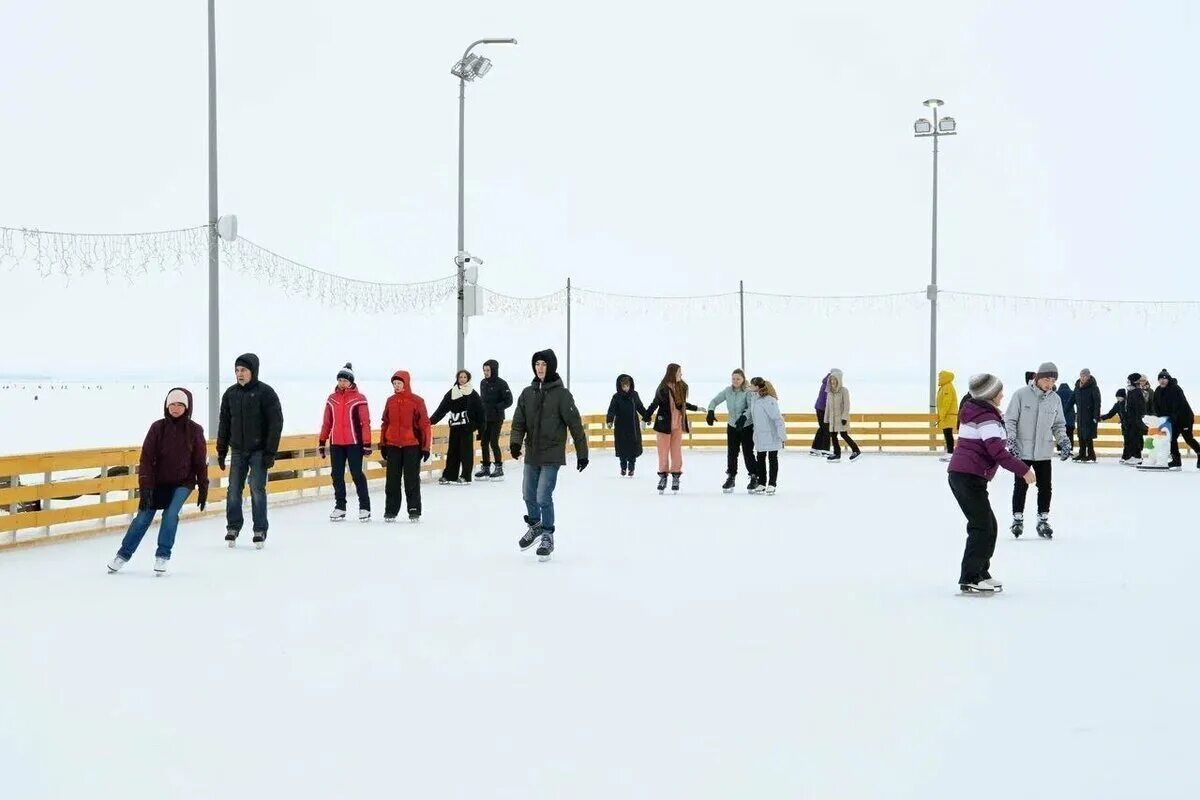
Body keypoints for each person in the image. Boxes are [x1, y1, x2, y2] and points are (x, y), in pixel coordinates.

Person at [948, 374, 1036, 594]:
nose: (1002, 395)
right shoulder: (985, 417)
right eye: (999, 392)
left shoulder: (985, 414)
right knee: (981, 527)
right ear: (989, 395)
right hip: (967, 477)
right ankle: (970, 577)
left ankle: (980, 572)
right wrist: (1023, 470)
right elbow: (996, 451)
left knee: (989, 525)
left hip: (969, 476)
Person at [107, 388, 209, 575]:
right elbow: (146, 460)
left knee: (170, 515)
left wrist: (203, 485)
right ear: (166, 405)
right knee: (143, 518)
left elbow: (199, 462)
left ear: (187, 407)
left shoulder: (195, 430)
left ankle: (163, 555)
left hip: (182, 482)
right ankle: (122, 555)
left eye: (180, 404)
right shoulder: (157, 428)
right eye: (172, 404)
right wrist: (145, 488)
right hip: (157, 482)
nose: (176, 408)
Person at [510, 349, 588, 562]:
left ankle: (548, 535)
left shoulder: (562, 395)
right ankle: (535, 526)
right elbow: (519, 422)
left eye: (544, 364)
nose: (540, 368)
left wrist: (582, 453)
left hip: (552, 454)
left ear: (551, 366)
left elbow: (575, 425)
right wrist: (515, 443)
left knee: (543, 495)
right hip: (533, 453)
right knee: (528, 494)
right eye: (537, 364)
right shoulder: (527, 393)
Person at [217, 353, 283, 549]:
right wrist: (221, 451)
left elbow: (275, 423)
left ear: (253, 371)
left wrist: (270, 452)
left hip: (259, 451)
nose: (240, 374)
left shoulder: (266, 393)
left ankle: (260, 529)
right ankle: (233, 527)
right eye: (237, 370)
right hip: (237, 450)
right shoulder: (230, 394)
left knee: (256, 489)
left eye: (243, 370)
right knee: (233, 490)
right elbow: (224, 425)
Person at [1004, 361, 1071, 539]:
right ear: (1038, 378)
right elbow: (1010, 420)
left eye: (1053, 380)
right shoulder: (1021, 395)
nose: (1050, 383)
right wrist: (1011, 439)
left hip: (1043, 451)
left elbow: (1058, 425)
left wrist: (1063, 440)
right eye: (1047, 379)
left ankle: (1043, 519)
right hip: (1022, 450)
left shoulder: (1055, 399)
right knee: (1020, 486)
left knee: (1045, 487)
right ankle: (1017, 519)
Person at [319, 363, 372, 522]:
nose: (342, 383)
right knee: (336, 475)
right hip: (336, 443)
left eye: (344, 380)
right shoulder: (332, 399)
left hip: (354, 443)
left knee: (356, 474)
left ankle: (365, 507)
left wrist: (367, 443)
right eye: (340, 380)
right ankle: (340, 507)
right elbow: (326, 422)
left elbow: (365, 423)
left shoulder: (359, 398)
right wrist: (322, 441)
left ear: (351, 381)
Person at [380, 370, 431, 522]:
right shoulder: (390, 401)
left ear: (406, 383)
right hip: (393, 445)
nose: (396, 386)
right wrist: (383, 443)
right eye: (394, 384)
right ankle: (391, 510)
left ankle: (414, 509)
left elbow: (425, 425)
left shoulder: (417, 401)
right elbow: (385, 423)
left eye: (399, 383)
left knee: (411, 480)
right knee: (392, 481)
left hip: (412, 446)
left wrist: (425, 447)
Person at [645, 363, 701, 493]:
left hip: (677, 426)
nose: (681, 374)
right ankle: (663, 476)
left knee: (676, 452)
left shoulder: (682, 387)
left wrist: (696, 408)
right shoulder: (663, 388)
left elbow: (682, 404)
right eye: (679, 372)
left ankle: (676, 476)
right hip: (664, 426)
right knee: (663, 452)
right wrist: (646, 418)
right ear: (672, 373)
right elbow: (654, 404)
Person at [430, 370, 485, 484]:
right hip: (455, 427)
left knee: (466, 453)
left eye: (465, 377)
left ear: (468, 379)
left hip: (467, 428)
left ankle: (465, 476)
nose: (462, 379)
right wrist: (430, 421)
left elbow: (480, 413)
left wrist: (480, 430)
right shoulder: (452, 392)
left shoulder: (473, 394)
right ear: (457, 378)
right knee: (452, 452)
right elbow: (442, 409)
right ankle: (449, 475)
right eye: (460, 377)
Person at [706, 368, 756, 492]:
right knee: (732, 453)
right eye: (733, 378)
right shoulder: (728, 391)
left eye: (738, 378)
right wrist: (711, 410)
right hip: (732, 426)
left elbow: (751, 407)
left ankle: (754, 476)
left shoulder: (748, 391)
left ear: (743, 379)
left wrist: (744, 417)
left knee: (748, 452)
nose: (735, 381)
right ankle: (731, 477)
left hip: (746, 426)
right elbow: (714, 400)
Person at [1152, 369, 1199, 469]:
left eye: (1165, 379)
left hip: (1184, 418)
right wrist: (1161, 418)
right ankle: (1176, 460)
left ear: (1168, 379)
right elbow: (1155, 405)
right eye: (1160, 379)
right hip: (1171, 419)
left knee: (1188, 438)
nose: (1162, 381)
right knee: (1172, 439)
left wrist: (1173, 417)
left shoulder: (1175, 389)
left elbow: (1179, 405)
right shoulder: (1157, 391)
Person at [748, 377, 787, 495]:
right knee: (760, 458)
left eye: (752, 385)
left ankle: (772, 484)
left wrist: (782, 436)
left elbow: (777, 418)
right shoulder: (754, 399)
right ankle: (762, 483)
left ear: (758, 386)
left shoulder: (769, 400)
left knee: (772, 458)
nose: (750, 387)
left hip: (771, 435)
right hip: (760, 435)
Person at [476, 359, 513, 480]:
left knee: (493, 442)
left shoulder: (502, 383)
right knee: (483, 442)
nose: (486, 372)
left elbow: (509, 400)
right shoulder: (483, 383)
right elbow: (482, 400)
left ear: (494, 370)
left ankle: (498, 468)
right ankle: (486, 468)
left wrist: (497, 407)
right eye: (484, 370)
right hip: (485, 418)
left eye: (488, 370)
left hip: (497, 418)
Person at [606, 373, 648, 477]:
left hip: (633, 426)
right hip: (621, 427)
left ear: (630, 385)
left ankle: (631, 468)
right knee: (622, 449)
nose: (626, 388)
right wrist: (609, 420)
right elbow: (611, 410)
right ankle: (623, 467)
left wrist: (647, 417)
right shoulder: (616, 397)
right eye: (624, 386)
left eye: (627, 386)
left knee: (633, 449)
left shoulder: (634, 395)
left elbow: (640, 407)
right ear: (620, 386)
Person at [1102, 377, 1147, 464]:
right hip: (1126, 425)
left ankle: (1136, 457)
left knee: (1135, 440)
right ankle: (1127, 456)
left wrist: (1135, 419)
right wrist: (1102, 417)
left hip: (1132, 423)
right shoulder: (1118, 404)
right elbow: (1111, 413)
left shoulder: (1129, 399)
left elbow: (1135, 410)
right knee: (1128, 442)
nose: (1118, 399)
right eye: (1117, 397)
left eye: (1119, 397)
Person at [824, 369, 861, 462]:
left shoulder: (844, 391)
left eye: (834, 379)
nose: (832, 381)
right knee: (833, 436)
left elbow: (846, 405)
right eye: (831, 379)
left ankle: (856, 450)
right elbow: (827, 406)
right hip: (832, 419)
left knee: (844, 435)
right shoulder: (829, 392)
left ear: (838, 380)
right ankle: (837, 454)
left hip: (841, 419)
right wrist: (826, 419)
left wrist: (844, 417)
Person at [1072, 369, 1102, 463]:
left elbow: (1097, 403)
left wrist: (1095, 416)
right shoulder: (1077, 387)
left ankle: (1091, 455)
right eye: (1081, 375)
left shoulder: (1093, 387)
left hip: (1089, 416)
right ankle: (1082, 454)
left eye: (1085, 376)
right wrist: (1065, 411)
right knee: (1080, 435)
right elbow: (1072, 400)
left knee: (1088, 436)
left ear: (1089, 377)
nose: (1083, 377)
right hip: (1080, 416)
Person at [937, 369, 958, 461]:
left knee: (948, 434)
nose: (939, 378)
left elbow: (946, 402)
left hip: (948, 415)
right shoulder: (945, 386)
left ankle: (950, 453)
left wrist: (942, 414)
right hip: (947, 414)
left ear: (945, 378)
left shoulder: (947, 387)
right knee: (947, 434)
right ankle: (949, 452)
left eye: (940, 377)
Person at [810, 373, 832, 457]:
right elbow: (828, 398)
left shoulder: (825, 382)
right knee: (826, 429)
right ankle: (825, 450)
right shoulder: (828, 384)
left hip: (819, 408)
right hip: (823, 409)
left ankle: (815, 449)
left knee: (822, 428)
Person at [1056, 381, 1076, 452]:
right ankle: (1070, 448)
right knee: (1070, 434)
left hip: (1060, 418)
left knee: (1060, 434)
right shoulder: (1072, 393)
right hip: (1070, 418)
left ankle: (1060, 448)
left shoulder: (1056, 394)